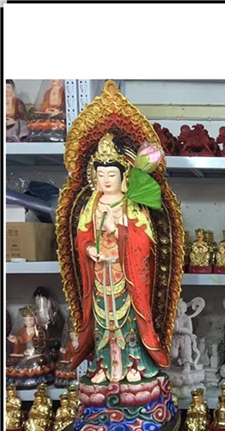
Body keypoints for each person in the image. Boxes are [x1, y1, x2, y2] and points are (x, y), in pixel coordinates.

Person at [71, 132, 169, 383]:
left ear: (124, 177)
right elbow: (81, 237)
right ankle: (103, 365)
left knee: (129, 319)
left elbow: (144, 241)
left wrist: (116, 231)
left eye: (111, 174)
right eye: (101, 174)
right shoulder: (91, 205)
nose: (106, 180)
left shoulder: (131, 204)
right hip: (99, 274)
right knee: (102, 320)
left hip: (126, 274)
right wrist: (89, 249)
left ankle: (134, 363)